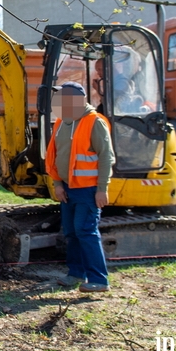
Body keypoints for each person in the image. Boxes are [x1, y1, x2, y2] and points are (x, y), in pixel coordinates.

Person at [45, 81, 115, 293]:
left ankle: (99, 280)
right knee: (72, 232)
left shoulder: (94, 122)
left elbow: (106, 157)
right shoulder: (60, 122)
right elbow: (55, 156)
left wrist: (102, 188)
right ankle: (75, 274)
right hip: (67, 188)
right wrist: (58, 184)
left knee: (85, 231)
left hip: (88, 190)